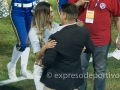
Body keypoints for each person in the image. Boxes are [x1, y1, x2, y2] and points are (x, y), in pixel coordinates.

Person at [39, 3, 94, 90]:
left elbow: (47, 61)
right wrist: (81, 49)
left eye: (60, 13)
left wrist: (40, 60)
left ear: (64, 16)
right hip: (74, 81)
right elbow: (91, 48)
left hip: (55, 82)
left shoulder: (55, 37)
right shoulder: (84, 32)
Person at [68, 0, 120, 90]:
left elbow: (117, 17)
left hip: (102, 41)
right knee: (80, 70)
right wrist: (79, 3)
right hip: (81, 41)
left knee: (100, 70)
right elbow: (67, 12)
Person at [29, 2, 59, 90]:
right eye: (48, 13)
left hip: (56, 67)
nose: (51, 15)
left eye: (52, 12)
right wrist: (45, 47)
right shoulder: (34, 31)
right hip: (41, 69)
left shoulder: (56, 26)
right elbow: (37, 56)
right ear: (41, 14)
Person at [6, 0, 35, 80]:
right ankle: (11, 66)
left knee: (28, 41)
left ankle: (23, 70)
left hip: (31, 10)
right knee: (22, 43)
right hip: (17, 10)